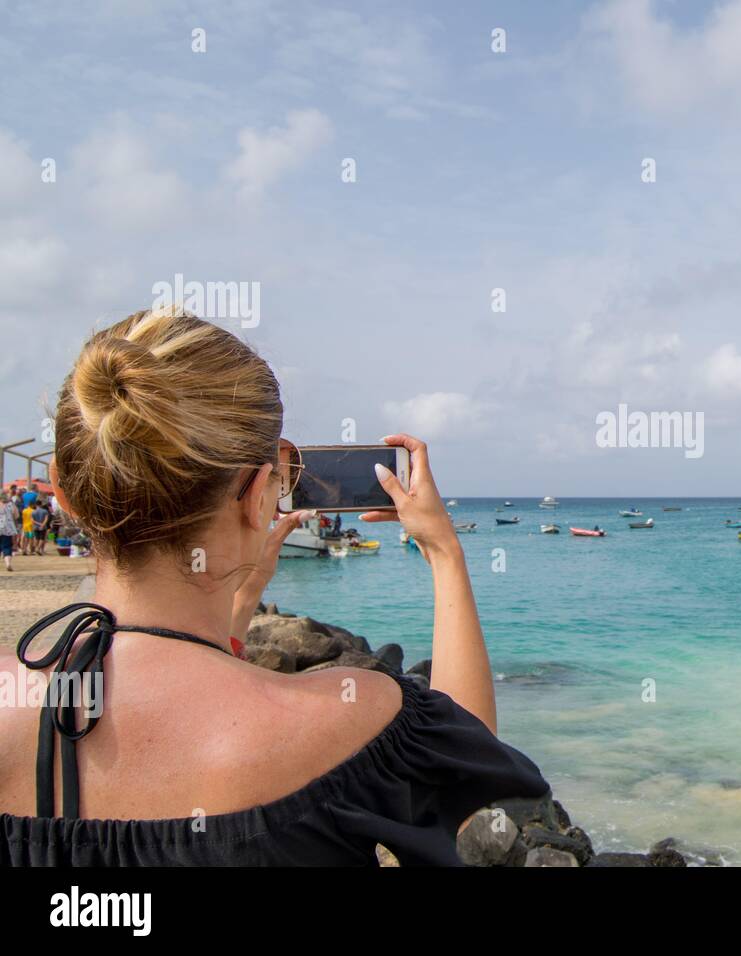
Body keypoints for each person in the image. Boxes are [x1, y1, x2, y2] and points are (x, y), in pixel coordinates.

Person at [0, 308, 547, 865]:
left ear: (63, 495)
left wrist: (237, 604)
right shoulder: (351, 719)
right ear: (263, 493)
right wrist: (442, 552)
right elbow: (470, 752)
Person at [0, 493, 16, 571]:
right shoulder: (10, 505)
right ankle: (8, 564)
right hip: (7, 528)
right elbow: (16, 515)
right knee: (7, 547)